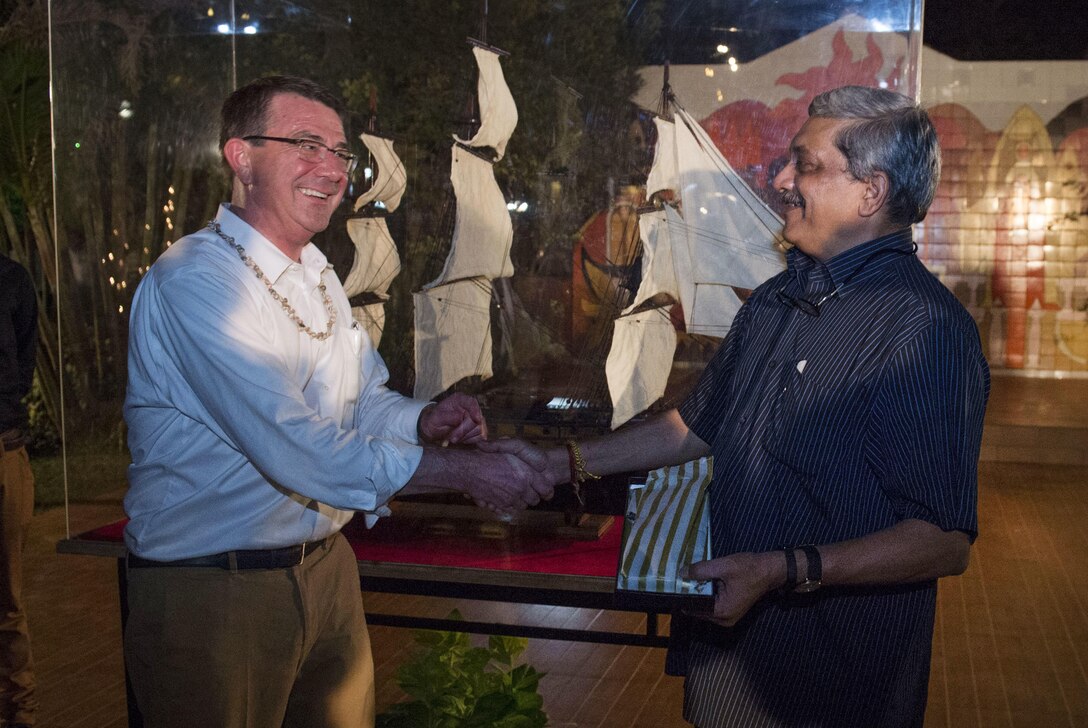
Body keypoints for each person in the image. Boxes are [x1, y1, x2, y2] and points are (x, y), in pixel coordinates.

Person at [483, 85, 990, 727]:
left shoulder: (924, 329)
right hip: (733, 653)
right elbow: (693, 427)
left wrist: (782, 570)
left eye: (805, 165)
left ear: (871, 193)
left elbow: (943, 540)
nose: (780, 180)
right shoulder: (777, 300)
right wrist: (559, 463)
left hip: (833, 676)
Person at [122, 75, 551, 728]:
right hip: (214, 592)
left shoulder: (315, 271)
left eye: (340, 152)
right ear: (240, 156)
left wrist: (419, 420)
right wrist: (463, 472)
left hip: (327, 574)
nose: (331, 167)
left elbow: (357, 401)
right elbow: (294, 443)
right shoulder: (197, 282)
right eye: (304, 144)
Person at [0, 251, 39, 728]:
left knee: (9, 597)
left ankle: (22, 713)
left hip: (5, 452)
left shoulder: (11, 279)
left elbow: (23, 362)